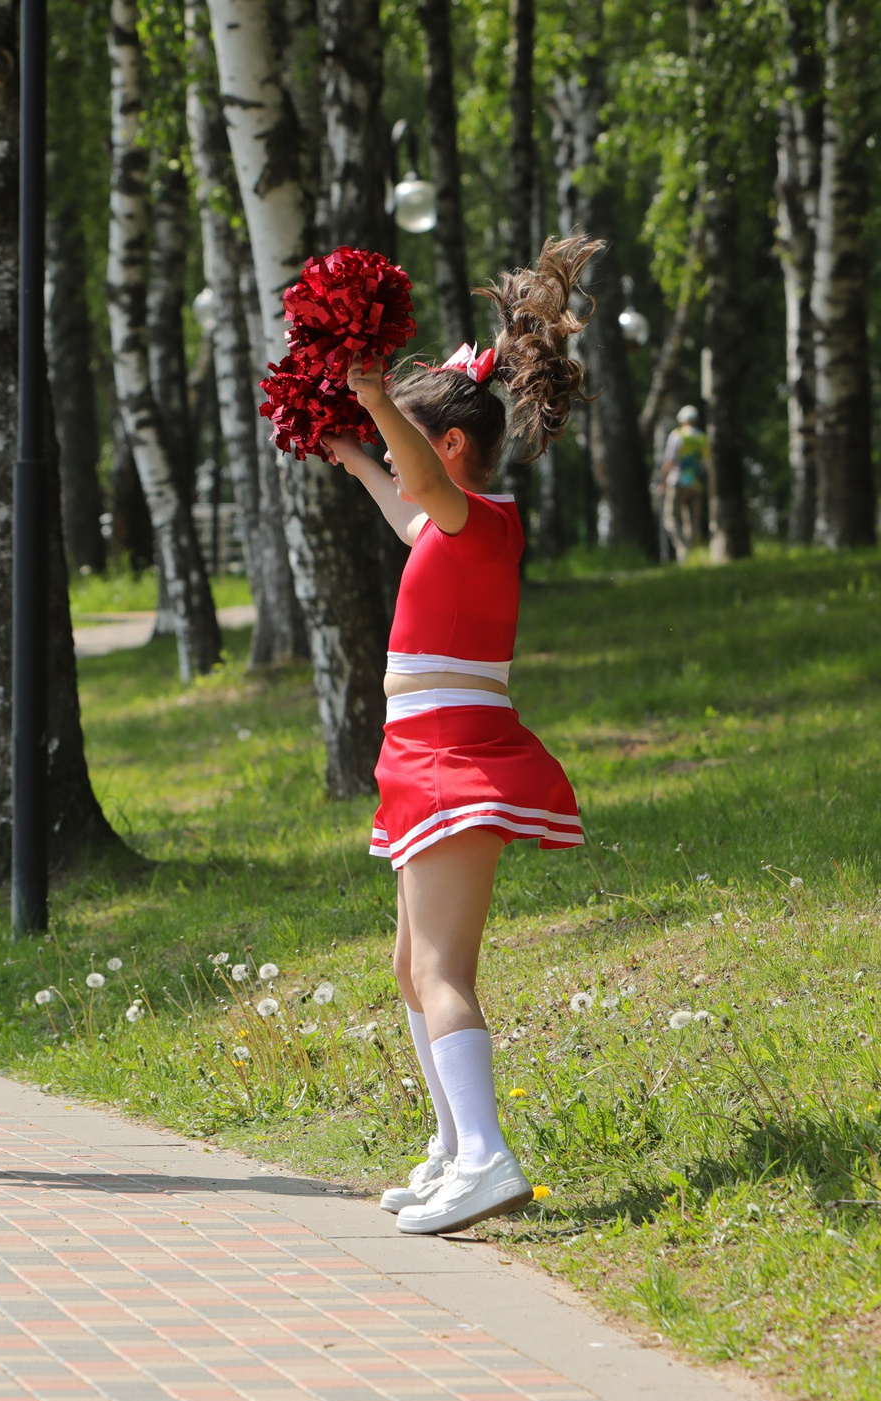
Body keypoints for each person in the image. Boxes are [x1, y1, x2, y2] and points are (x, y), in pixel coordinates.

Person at [321, 235, 597, 1236]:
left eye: (401, 448)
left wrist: (373, 401)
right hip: (424, 762)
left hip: (452, 764)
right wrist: (354, 448)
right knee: (411, 966)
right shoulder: (459, 525)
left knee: (442, 971)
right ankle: (450, 1147)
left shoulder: (474, 519)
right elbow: (406, 512)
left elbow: (420, 494)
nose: (392, 466)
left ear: (441, 453)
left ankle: (485, 1155)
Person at [656, 404, 709, 558]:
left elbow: (668, 461)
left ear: (682, 420)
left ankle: (683, 550)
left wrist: (663, 483)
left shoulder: (677, 435)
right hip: (696, 483)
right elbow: (706, 464)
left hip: (678, 481)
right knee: (693, 521)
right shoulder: (702, 437)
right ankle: (694, 553)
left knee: (670, 517)